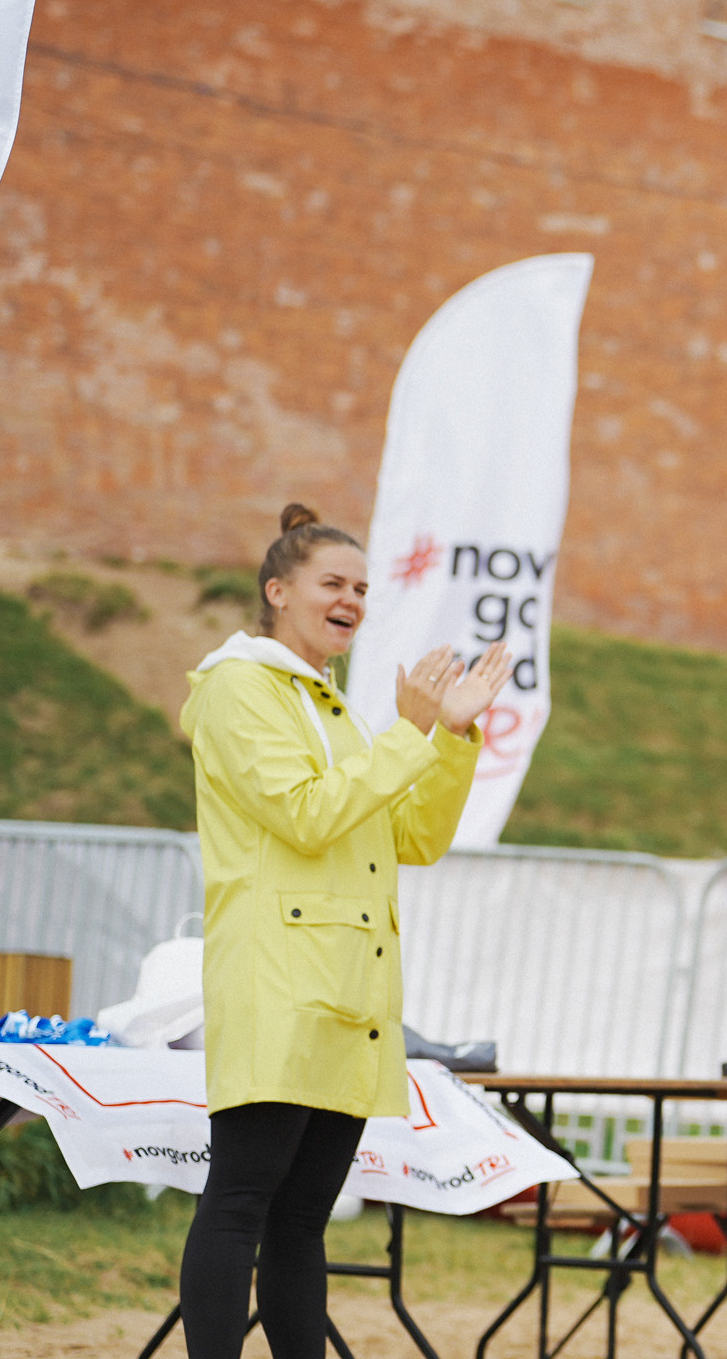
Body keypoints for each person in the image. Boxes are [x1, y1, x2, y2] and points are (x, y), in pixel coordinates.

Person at [177, 504, 512, 1359]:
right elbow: (307, 814)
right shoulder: (238, 687)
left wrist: (453, 735)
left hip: (344, 994)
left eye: (362, 588)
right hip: (280, 985)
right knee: (242, 1202)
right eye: (334, 583)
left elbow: (412, 838)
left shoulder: (327, 706)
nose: (353, 600)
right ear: (277, 590)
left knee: (301, 1219)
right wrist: (407, 730)